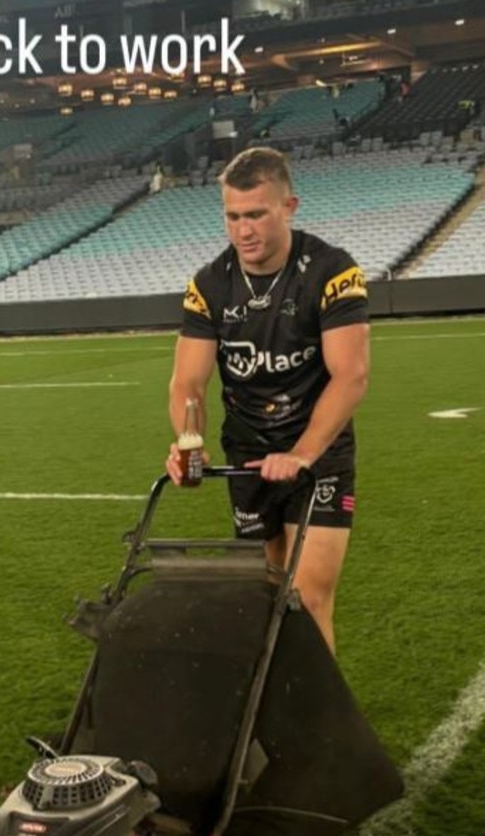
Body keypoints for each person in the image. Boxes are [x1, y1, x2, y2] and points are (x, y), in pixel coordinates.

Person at [165, 147, 370, 653]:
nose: (243, 230)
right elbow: (187, 382)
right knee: (265, 593)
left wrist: (301, 454)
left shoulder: (332, 271)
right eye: (233, 216)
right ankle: (271, 708)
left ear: (289, 206)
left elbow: (351, 375)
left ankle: (318, 724)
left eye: (256, 213)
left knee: (308, 595)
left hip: (318, 454)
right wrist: (187, 442)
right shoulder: (210, 285)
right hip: (248, 455)